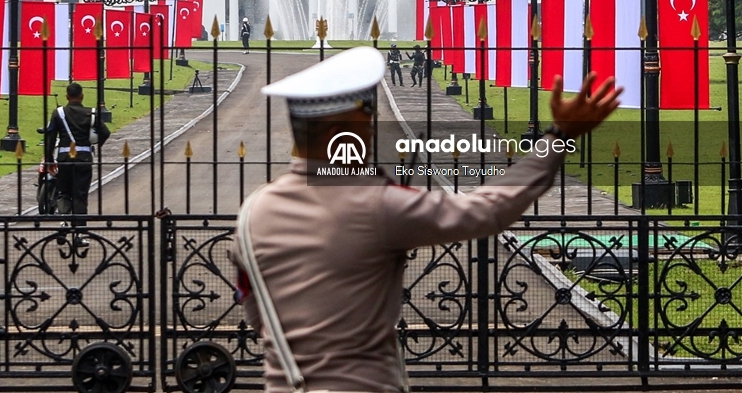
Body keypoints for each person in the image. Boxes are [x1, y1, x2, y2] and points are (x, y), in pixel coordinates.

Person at [232, 46, 621, 393]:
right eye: (367, 120)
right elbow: (488, 210)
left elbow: (257, 313)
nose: (372, 131)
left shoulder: (254, 212)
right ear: (340, 131)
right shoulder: (375, 206)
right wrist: (559, 136)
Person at [43, 83, 110, 225]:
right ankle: (80, 229)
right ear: (82, 96)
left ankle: (64, 220)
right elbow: (105, 132)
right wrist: (94, 145)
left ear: (67, 96)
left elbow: (51, 138)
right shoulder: (92, 113)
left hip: (64, 158)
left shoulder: (58, 113)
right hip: (84, 158)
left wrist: (49, 160)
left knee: (64, 192)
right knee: (80, 195)